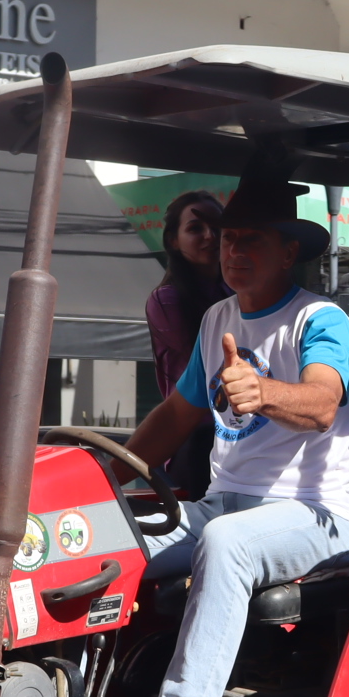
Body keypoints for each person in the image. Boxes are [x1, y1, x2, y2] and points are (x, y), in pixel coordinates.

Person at [116, 171, 349, 697]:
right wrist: (101, 479)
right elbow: (176, 415)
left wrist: (264, 391)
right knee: (101, 533)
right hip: (225, 502)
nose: (232, 252)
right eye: (227, 240)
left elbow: (320, 403)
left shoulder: (322, 319)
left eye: (251, 240)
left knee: (227, 541)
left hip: (314, 515)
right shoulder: (217, 319)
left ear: (289, 251)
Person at [145, 188, 227, 497]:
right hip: (197, 440)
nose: (210, 236)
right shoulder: (166, 299)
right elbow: (213, 366)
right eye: (195, 228)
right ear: (172, 241)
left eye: (218, 227)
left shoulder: (237, 291)